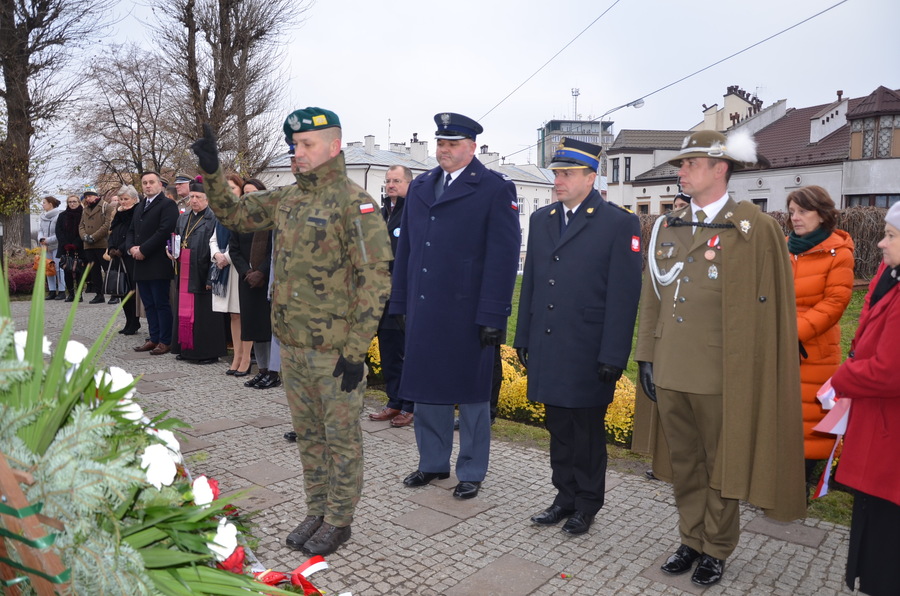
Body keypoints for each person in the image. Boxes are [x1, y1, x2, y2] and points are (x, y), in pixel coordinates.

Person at [192, 107, 392, 556]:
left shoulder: (355, 203)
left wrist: (357, 351)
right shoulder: (288, 198)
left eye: (305, 145)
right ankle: (316, 509)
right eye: (294, 145)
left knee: (340, 438)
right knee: (309, 436)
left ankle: (340, 519)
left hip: (336, 350)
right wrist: (212, 169)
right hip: (295, 346)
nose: (296, 153)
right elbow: (234, 212)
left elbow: (375, 279)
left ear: (334, 147)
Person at [635, 129, 806, 587]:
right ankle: (690, 538)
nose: (681, 172)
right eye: (681, 165)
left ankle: (716, 548)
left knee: (721, 466)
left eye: (690, 164)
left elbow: (770, 312)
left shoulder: (754, 227)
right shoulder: (669, 226)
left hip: (721, 373)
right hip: (672, 368)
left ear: (720, 168)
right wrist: (646, 357)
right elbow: (653, 294)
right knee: (683, 463)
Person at [514, 138, 642, 535]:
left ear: (591, 177)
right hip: (550, 342)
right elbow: (532, 281)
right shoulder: (543, 219)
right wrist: (523, 337)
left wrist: (614, 354)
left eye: (566, 174)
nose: (558, 180)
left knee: (586, 432)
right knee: (558, 427)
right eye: (556, 173)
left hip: (588, 349)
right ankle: (563, 497)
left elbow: (625, 295)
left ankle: (587, 504)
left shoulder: (618, 223)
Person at [390, 112, 520, 500]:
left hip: (469, 311)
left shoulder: (494, 188)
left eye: (452, 145)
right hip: (425, 307)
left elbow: (503, 256)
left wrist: (494, 314)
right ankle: (432, 462)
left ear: (471, 148)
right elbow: (408, 249)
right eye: (440, 144)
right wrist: (400, 299)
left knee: (473, 394)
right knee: (427, 389)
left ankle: (472, 470)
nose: (444, 150)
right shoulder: (423, 185)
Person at [833, 202, 900, 596]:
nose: (880, 242)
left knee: (884, 549)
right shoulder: (891, 273)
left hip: (888, 439)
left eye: (891, 235)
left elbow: (889, 370)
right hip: (880, 427)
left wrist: (843, 376)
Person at [785, 185, 854, 493]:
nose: (795, 218)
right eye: (791, 212)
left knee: (810, 420)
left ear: (823, 213)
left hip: (815, 351)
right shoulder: (784, 247)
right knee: (782, 415)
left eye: (802, 211)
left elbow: (835, 302)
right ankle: (775, 484)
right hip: (779, 348)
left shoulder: (839, 253)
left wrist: (791, 332)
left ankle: (800, 487)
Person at [369, 165, 415, 428]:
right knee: (389, 350)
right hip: (380, 294)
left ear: (408, 183)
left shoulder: (415, 211)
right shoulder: (382, 211)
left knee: (408, 351)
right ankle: (394, 400)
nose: (391, 184)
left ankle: (410, 405)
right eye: (388, 181)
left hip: (405, 293)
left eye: (396, 180)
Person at [168, 180, 226, 364]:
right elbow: (176, 238)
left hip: (203, 270)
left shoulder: (213, 218)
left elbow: (217, 246)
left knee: (203, 315)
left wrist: (211, 277)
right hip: (184, 269)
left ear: (207, 199)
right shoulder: (183, 218)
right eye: (192, 196)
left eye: (198, 197)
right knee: (184, 311)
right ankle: (186, 348)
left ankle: (205, 352)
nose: (194, 200)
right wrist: (170, 250)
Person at [127, 171, 179, 356]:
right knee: (148, 303)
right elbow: (131, 230)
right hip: (140, 262)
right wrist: (132, 247)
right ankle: (153, 337)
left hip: (157, 261)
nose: (148, 186)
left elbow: (165, 230)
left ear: (160, 185)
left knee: (161, 302)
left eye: (151, 182)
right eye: (144, 183)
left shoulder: (167, 205)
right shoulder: (140, 205)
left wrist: (143, 250)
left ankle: (166, 340)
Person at [228, 178, 273, 381]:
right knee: (253, 325)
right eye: (245, 193)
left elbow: (274, 250)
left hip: (266, 280)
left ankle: (272, 371)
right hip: (246, 280)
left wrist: (261, 272)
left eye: (253, 192)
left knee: (267, 326)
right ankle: (262, 370)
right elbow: (234, 249)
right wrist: (247, 272)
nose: (249, 197)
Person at [211, 174, 253, 377]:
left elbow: (242, 243)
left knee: (244, 314)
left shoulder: (245, 212)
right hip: (224, 268)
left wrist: (226, 257)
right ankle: (236, 356)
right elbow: (213, 238)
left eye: (233, 189)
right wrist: (217, 254)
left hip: (240, 267)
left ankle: (246, 358)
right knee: (233, 315)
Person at [107, 185, 141, 334]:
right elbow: (112, 232)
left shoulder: (136, 212)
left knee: (131, 290)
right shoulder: (119, 213)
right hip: (117, 256)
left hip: (128, 255)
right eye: (121, 199)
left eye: (126, 199)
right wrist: (111, 248)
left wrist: (121, 248)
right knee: (121, 289)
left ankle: (134, 322)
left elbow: (132, 234)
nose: (123, 202)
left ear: (134, 199)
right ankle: (128, 321)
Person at [78, 189, 115, 304]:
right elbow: (81, 226)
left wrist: (94, 236)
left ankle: (114, 293)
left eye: (89, 196)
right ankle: (99, 294)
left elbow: (107, 224)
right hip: (88, 245)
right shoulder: (85, 210)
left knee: (108, 269)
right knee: (94, 271)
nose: (88, 199)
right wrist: (84, 236)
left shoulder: (106, 207)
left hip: (102, 243)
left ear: (96, 196)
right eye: (86, 197)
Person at [55, 195, 85, 302]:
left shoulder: (83, 214)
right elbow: (58, 231)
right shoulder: (62, 215)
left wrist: (76, 243)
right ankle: (71, 294)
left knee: (79, 271)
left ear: (79, 202)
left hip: (79, 247)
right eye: (70, 202)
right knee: (67, 270)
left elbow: (84, 230)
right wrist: (65, 244)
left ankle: (79, 294)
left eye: (74, 202)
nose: (72, 204)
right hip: (65, 248)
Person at [38, 196, 65, 300]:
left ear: (51, 204)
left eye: (44, 202)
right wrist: (41, 239)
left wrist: (48, 240)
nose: (43, 204)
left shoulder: (59, 216)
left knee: (59, 269)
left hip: (57, 246)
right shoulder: (43, 216)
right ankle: (52, 290)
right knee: (48, 268)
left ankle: (62, 291)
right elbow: (40, 230)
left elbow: (59, 233)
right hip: (46, 247)